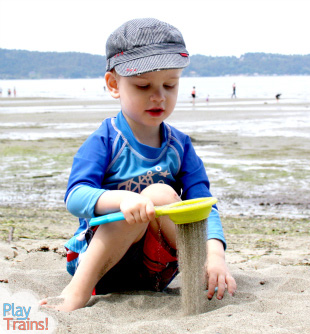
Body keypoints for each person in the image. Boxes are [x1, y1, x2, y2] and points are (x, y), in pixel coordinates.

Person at [41, 18, 236, 312]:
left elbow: (203, 204)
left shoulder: (180, 145)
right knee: (146, 199)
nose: (159, 95)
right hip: (101, 266)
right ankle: (76, 293)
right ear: (113, 84)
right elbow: (76, 196)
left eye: (169, 84)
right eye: (143, 85)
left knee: (161, 195)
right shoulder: (105, 140)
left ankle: (202, 273)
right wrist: (122, 199)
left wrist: (216, 255)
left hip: (157, 270)